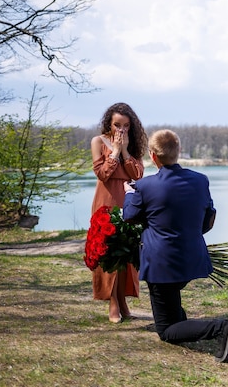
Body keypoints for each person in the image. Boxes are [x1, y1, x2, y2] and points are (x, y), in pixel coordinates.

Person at [122, 129, 228, 363]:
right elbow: (208, 218)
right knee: (172, 308)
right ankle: (187, 323)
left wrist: (129, 193)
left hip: (162, 264)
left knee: (166, 331)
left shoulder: (144, 186)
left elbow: (129, 216)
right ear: (178, 152)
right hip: (192, 259)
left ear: (153, 156)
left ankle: (222, 329)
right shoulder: (200, 180)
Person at [90, 102, 147, 323]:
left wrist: (124, 151)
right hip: (105, 201)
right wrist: (113, 151)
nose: (120, 130)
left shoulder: (134, 145)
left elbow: (138, 175)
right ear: (109, 123)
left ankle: (123, 299)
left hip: (129, 201)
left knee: (128, 253)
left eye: (125, 125)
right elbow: (102, 174)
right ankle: (113, 301)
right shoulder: (97, 141)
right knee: (109, 252)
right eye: (116, 125)